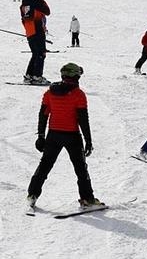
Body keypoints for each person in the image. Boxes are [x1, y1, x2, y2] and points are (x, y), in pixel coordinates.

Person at [26, 63, 102, 209]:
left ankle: (32, 195)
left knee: (44, 165)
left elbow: (43, 115)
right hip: (72, 136)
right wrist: (88, 140)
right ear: (75, 77)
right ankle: (87, 199)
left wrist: (41, 136)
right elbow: (83, 119)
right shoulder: (79, 95)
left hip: (53, 135)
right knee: (81, 169)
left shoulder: (49, 93)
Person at [20, 0, 51, 84]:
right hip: (38, 30)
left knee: (35, 54)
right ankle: (37, 76)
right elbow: (47, 11)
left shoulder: (24, 4)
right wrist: (41, 1)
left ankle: (29, 76)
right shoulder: (38, 2)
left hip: (30, 32)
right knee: (41, 54)